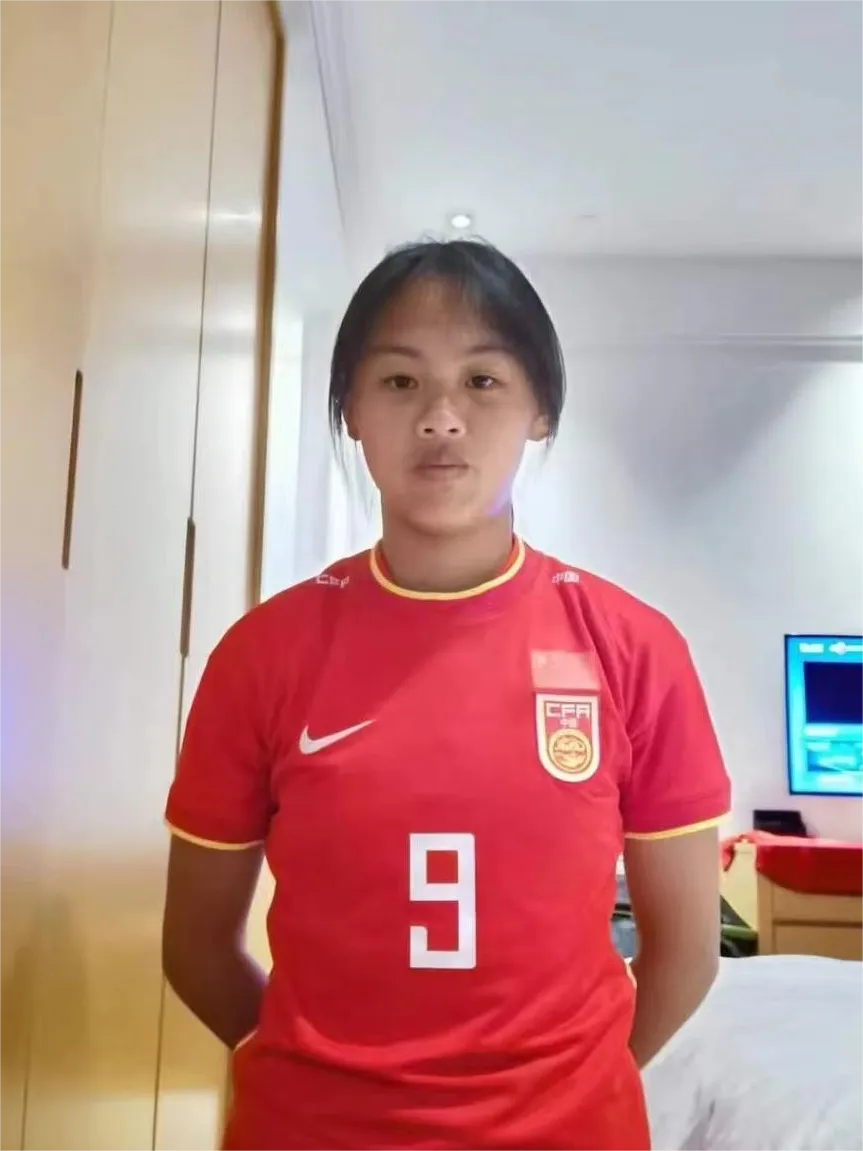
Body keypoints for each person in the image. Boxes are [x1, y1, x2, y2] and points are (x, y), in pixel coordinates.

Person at [162, 239, 731, 1151]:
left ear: (540, 409)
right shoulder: (262, 654)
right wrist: (311, 1080)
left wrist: (572, 1089)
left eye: (481, 380)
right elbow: (194, 946)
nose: (440, 418)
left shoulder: (632, 649)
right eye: (399, 381)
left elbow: (686, 953)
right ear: (350, 410)